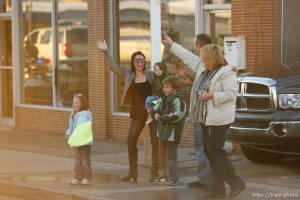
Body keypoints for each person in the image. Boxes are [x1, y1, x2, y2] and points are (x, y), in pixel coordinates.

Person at [96, 40, 159, 183]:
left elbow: (161, 87)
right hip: (137, 114)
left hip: (152, 114)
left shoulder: (151, 75)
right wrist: (105, 51)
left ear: (145, 62)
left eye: (142, 60)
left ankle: (155, 173)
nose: (140, 62)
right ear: (133, 61)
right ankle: (133, 172)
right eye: (137, 60)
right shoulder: (129, 75)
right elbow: (113, 67)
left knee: (156, 143)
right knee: (130, 142)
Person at [162, 33, 212, 188]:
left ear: (201, 47)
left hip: (209, 115)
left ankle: (212, 181)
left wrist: (171, 44)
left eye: (195, 45)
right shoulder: (201, 64)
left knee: (209, 149)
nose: (194, 49)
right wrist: (191, 83)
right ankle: (204, 179)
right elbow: (186, 57)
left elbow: (186, 56)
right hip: (199, 114)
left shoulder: (211, 65)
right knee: (201, 147)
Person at [197, 44, 245, 199]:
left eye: (205, 58)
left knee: (215, 151)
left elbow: (231, 94)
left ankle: (236, 182)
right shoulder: (209, 72)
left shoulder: (227, 73)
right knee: (210, 153)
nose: (203, 61)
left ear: (211, 58)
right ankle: (217, 191)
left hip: (219, 118)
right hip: (205, 117)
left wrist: (211, 96)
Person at [152, 76, 186, 186]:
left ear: (175, 88)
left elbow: (178, 115)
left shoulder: (179, 101)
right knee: (161, 156)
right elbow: (153, 108)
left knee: (171, 157)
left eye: (167, 87)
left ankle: (173, 177)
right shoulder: (162, 99)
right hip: (162, 133)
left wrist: (162, 118)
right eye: (164, 87)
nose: (164, 89)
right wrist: (155, 114)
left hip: (172, 133)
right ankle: (162, 176)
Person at [65, 93, 93, 185]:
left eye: (77, 102)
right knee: (77, 160)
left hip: (85, 142)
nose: (74, 104)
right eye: (73, 102)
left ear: (82, 103)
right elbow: (72, 126)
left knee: (85, 160)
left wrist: (75, 137)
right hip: (77, 141)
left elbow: (81, 129)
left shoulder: (84, 115)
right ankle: (77, 177)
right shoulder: (74, 113)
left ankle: (87, 177)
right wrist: (69, 132)